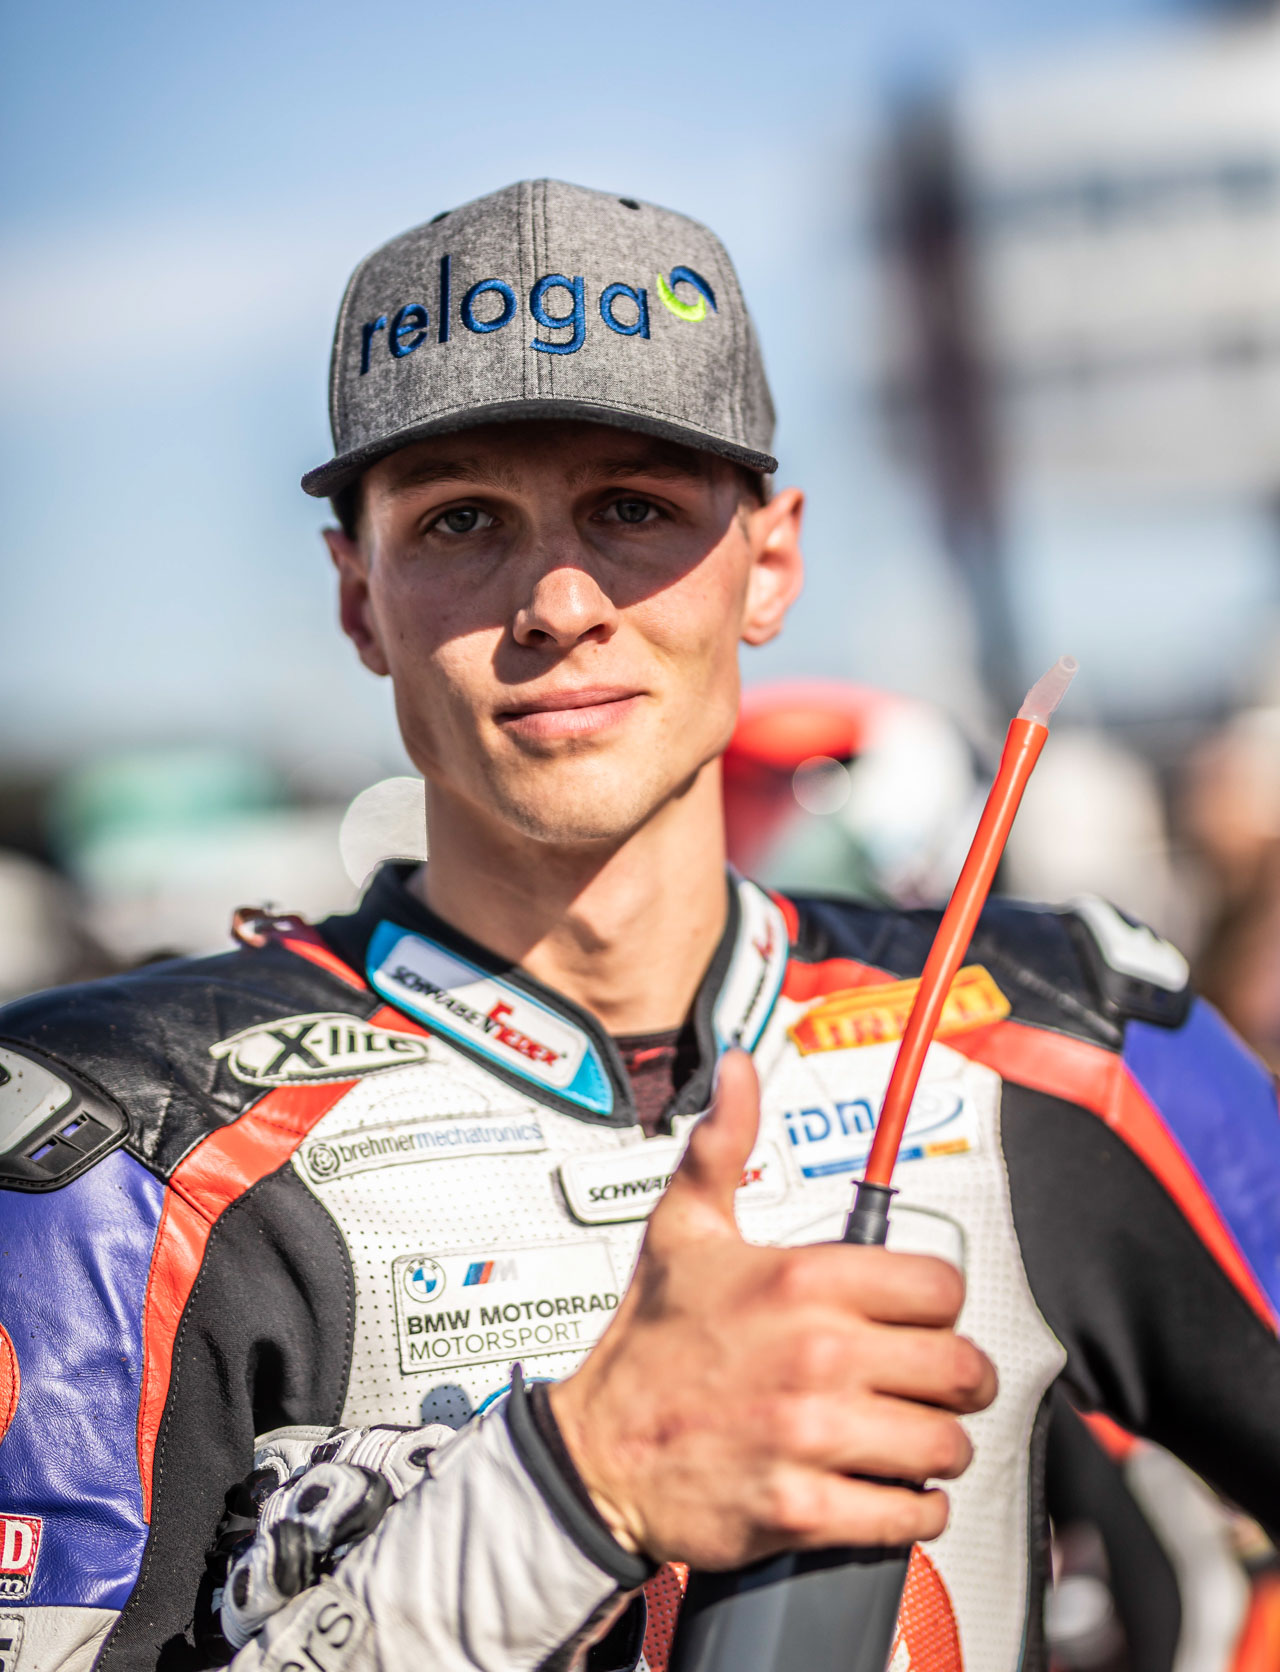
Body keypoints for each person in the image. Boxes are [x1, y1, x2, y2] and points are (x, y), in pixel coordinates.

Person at [1, 181, 1278, 1672]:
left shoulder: (1067, 1036)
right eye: (461, 519)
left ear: (772, 562)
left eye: (634, 509)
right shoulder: (108, 1149)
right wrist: (570, 1493)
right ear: (358, 599)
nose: (558, 602)